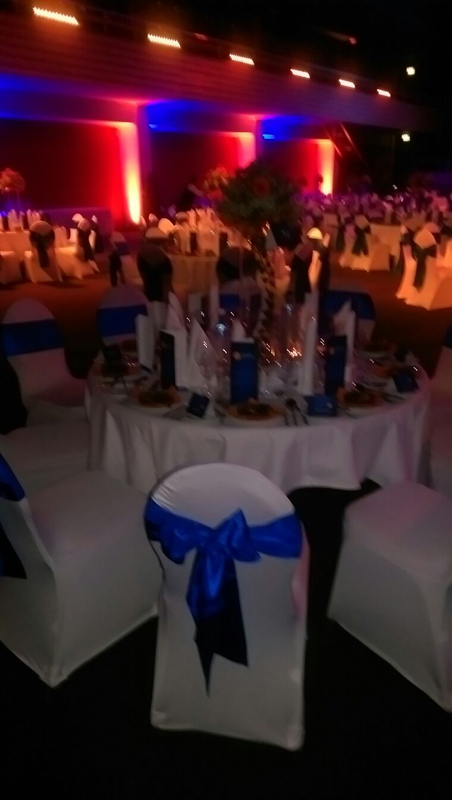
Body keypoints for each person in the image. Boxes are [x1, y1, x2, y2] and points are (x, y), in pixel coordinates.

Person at [137, 228, 173, 302]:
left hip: (148, 295)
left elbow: (143, 277)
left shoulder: (142, 255)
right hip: (160, 297)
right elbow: (167, 284)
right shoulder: (163, 258)